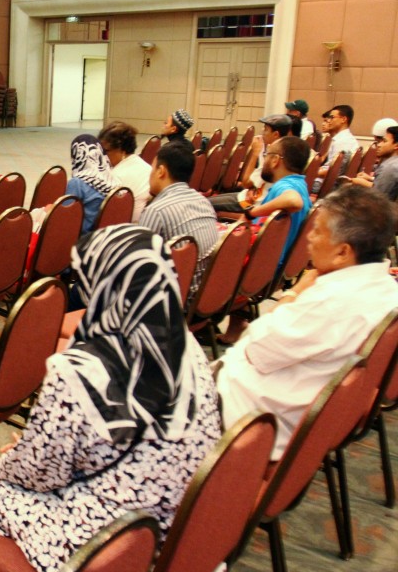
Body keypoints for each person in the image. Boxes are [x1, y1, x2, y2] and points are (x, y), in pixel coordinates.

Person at [0, 225, 223, 572]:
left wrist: (22, 455)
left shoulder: (81, 366)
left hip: (107, 547)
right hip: (175, 535)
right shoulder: (186, 345)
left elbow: (35, 475)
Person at [218, 185, 398, 459]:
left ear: (343, 252)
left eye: (318, 231)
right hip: (305, 413)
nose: (310, 237)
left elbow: (256, 349)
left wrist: (295, 292)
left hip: (254, 416)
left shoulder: (330, 301)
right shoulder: (388, 290)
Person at [218, 135, 313, 344]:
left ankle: (195, 320)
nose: (266, 160)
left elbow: (293, 200)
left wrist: (252, 212)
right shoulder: (300, 183)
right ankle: (236, 325)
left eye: (268, 154)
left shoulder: (285, 187)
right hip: (275, 267)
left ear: (276, 160)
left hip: (261, 270)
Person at [140, 141, 219, 302]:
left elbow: (139, 265)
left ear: (161, 171)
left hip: (174, 301)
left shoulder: (156, 211)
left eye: (152, 169)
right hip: (207, 294)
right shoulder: (204, 202)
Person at [209, 114, 293, 215]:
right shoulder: (279, 151)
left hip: (251, 204)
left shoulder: (273, 158)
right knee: (208, 200)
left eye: (266, 129)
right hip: (248, 195)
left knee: (205, 203)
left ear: (275, 134)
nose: (262, 132)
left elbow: (246, 183)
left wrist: (255, 153)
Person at [98, 120, 150, 222]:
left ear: (122, 150)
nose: (102, 156)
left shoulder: (115, 177)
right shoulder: (146, 166)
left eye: (106, 151)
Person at [65, 134, 117, 233]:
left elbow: (65, 218)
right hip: (108, 236)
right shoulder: (114, 181)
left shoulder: (77, 183)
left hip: (85, 238)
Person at [315, 104, 358, 192]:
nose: (329, 121)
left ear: (343, 119)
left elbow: (335, 171)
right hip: (330, 182)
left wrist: (312, 172)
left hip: (330, 185)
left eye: (332, 117)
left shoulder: (343, 141)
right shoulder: (344, 138)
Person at [351, 122, 398, 200]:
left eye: (384, 141)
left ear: (396, 145)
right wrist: (371, 178)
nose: (379, 145)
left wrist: (361, 183)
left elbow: (378, 197)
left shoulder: (390, 167)